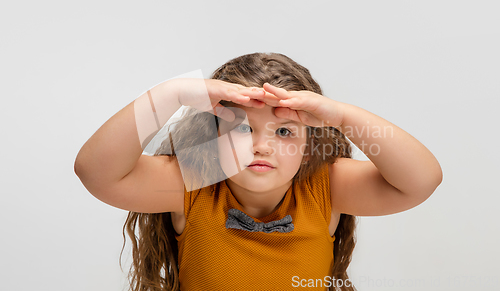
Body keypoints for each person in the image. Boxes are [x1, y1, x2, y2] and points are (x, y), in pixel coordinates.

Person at [74, 52, 442, 291]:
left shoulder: (325, 186)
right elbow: (96, 172)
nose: (261, 146)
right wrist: (171, 94)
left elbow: (421, 180)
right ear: (212, 136)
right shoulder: (191, 186)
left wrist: (342, 115)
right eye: (242, 128)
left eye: (284, 131)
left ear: (309, 144)